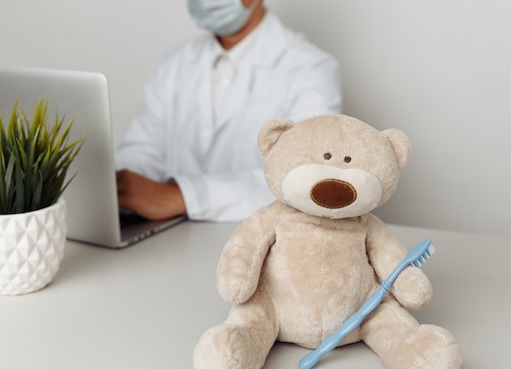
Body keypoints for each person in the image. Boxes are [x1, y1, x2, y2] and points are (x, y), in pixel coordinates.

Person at [115, 0, 342, 222]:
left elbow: (305, 176)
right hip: (171, 238)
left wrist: (181, 197)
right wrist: (116, 186)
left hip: (263, 241)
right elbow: (144, 149)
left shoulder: (311, 69)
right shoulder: (174, 64)